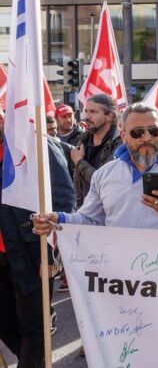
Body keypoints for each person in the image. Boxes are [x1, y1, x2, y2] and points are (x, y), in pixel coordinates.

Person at [32, 103, 158, 236]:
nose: (146, 138)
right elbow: (90, 220)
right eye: (137, 133)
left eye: (154, 131)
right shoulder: (105, 174)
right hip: (121, 279)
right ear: (124, 136)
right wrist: (58, 219)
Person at [0, 110, 76, 367]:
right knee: (5, 322)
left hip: (32, 251)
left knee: (35, 325)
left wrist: (54, 253)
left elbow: (64, 199)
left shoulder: (39, 144)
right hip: (2, 254)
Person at [71, 94, 122, 208]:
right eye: (86, 111)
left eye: (93, 112)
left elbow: (103, 181)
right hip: (85, 212)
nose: (86, 116)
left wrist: (79, 162)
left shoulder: (120, 143)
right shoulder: (83, 141)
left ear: (109, 115)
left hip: (109, 212)